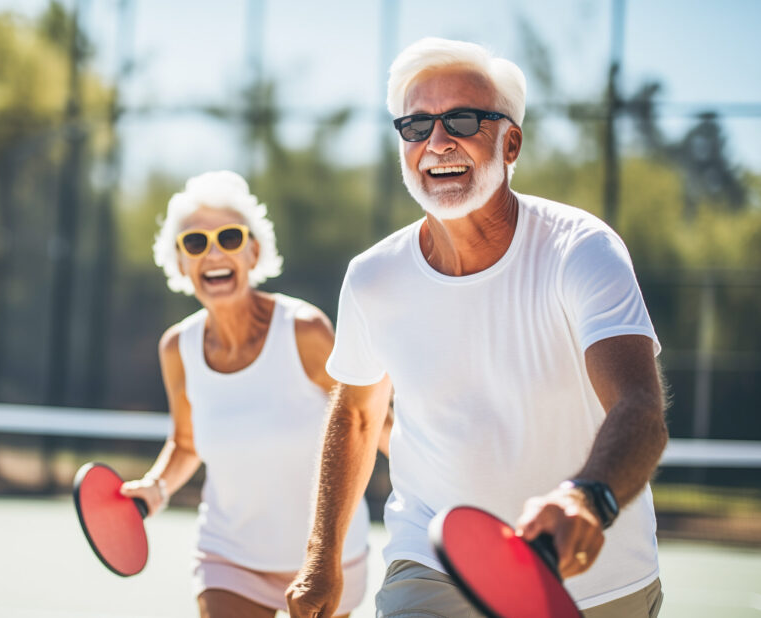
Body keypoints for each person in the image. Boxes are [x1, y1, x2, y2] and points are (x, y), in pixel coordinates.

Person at [286, 37, 668, 618]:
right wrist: (322, 555)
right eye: (416, 126)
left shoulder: (581, 250)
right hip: (433, 561)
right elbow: (358, 415)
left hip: (599, 584)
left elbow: (638, 406)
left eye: (462, 120)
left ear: (509, 141)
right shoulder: (372, 277)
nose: (437, 142)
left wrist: (587, 501)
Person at [121, 170, 388, 618]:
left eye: (229, 237)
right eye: (194, 243)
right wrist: (156, 486)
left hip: (328, 557)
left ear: (253, 251)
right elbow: (186, 443)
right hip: (228, 555)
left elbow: (370, 417)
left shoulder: (303, 331)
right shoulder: (177, 349)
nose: (213, 253)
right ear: (181, 263)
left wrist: (437, 475)